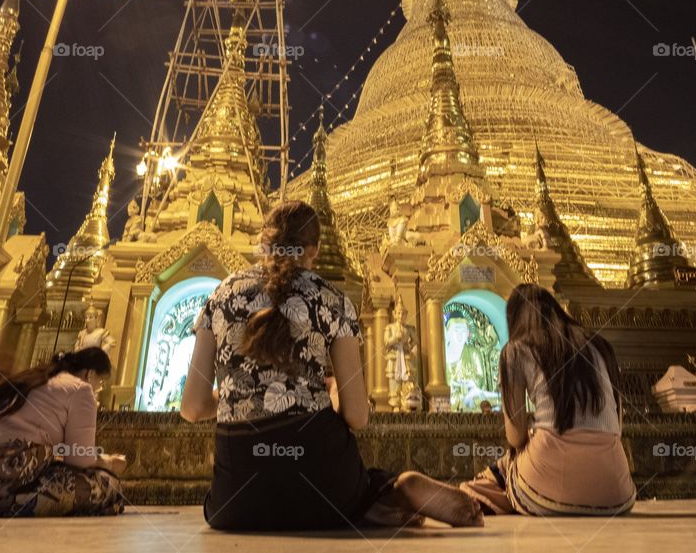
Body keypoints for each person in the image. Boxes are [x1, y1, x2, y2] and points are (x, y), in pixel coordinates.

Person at [181, 200, 483, 531]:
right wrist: (332, 391)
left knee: (312, 497)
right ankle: (386, 492)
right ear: (315, 249)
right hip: (320, 480)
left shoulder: (220, 296)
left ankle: (379, 500)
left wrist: (236, 394)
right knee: (356, 496)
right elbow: (356, 416)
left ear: (264, 240)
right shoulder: (333, 300)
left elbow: (193, 408)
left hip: (234, 497)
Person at [461, 283, 636, 516]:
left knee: (509, 460)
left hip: (545, 492)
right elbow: (618, 427)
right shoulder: (601, 346)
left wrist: (534, 434)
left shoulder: (515, 350)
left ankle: (474, 495)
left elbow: (515, 437)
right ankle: (479, 495)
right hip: (617, 495)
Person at [0, 345, 126, 517]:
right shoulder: (81, 389)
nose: (99, 388)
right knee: (107, 485)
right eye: (101, 382)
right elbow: (80, 460)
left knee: (45, 458)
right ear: (89, 374)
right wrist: (107, 462)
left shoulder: (32, 379)